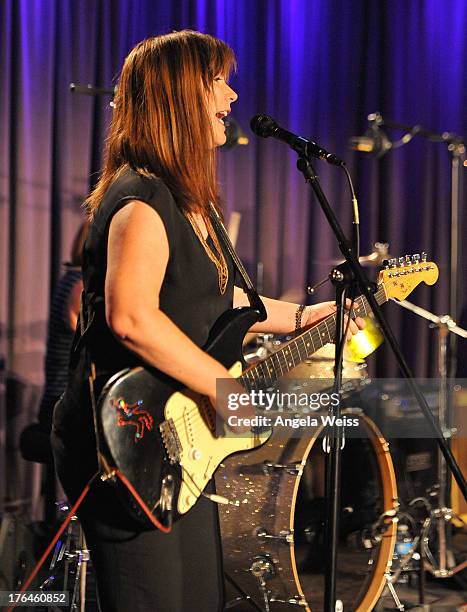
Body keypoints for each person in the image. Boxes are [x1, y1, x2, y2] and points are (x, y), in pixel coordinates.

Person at [51, 30, 364, 612]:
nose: (233, 95)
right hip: (127, 440)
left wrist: (307, 316)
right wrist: (227, 389)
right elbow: (132, 318)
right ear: (179, 96)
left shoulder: (194, 204)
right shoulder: (141, 198)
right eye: (218, 81)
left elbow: (220, 306)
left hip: (179, 441)